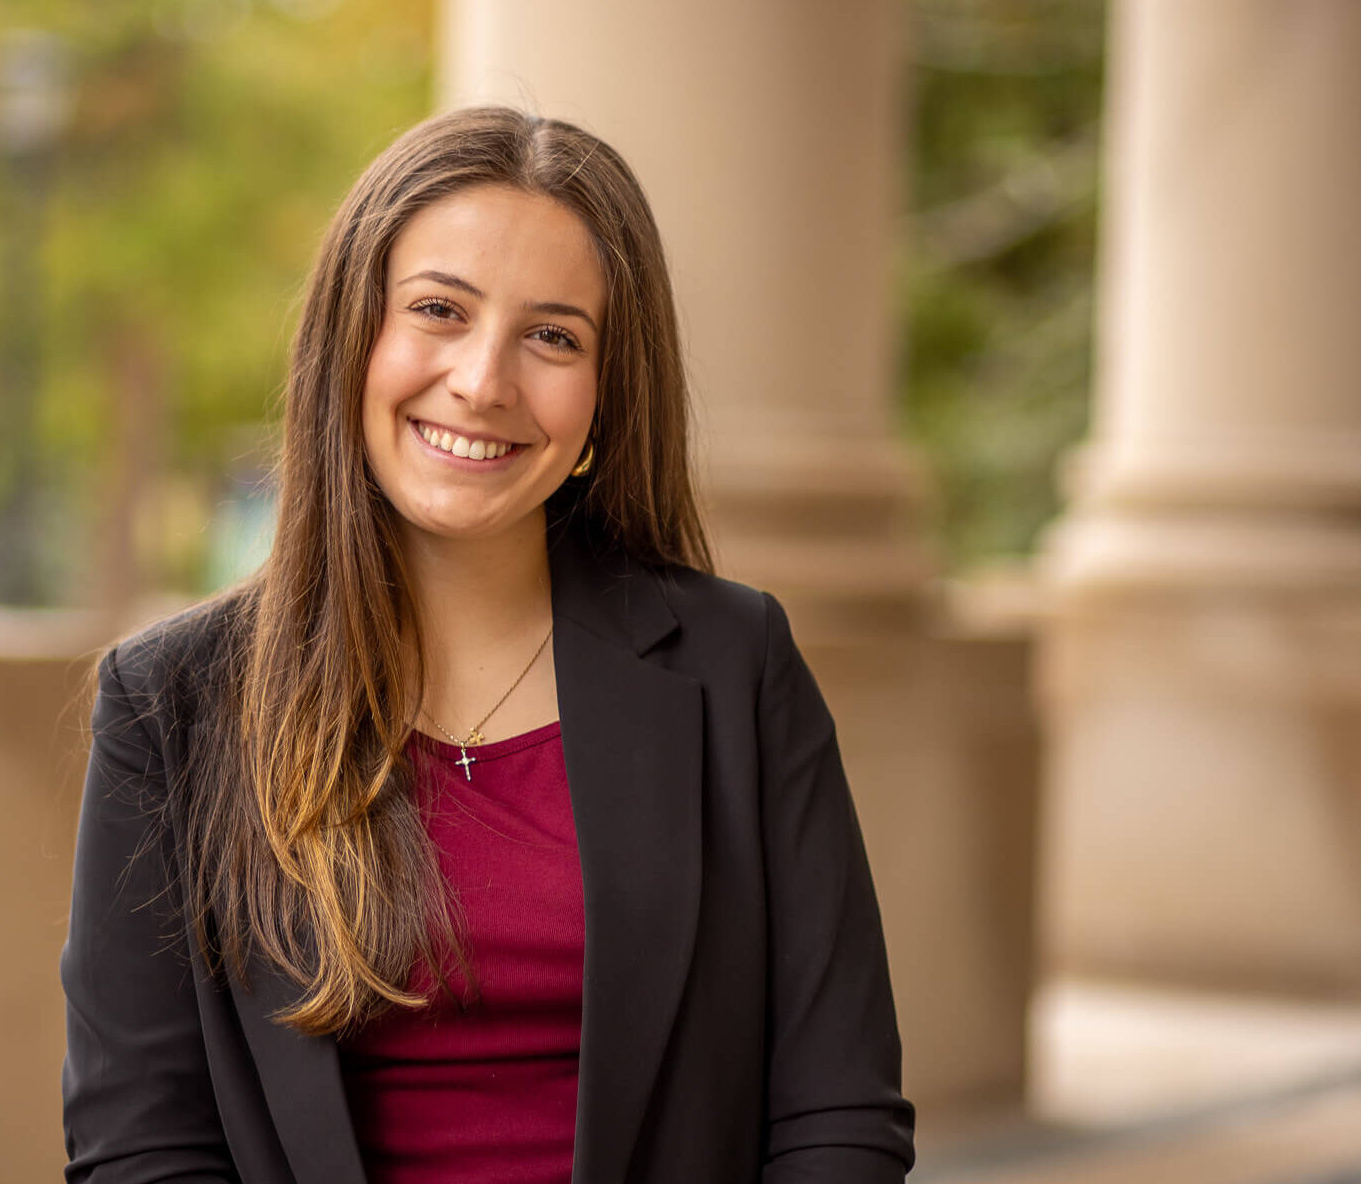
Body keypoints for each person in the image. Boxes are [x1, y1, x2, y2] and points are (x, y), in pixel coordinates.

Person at [60, 104, 915, 1184]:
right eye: (437, 310)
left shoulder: (733, 663)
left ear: (606, 394)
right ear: (350, 337)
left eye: (552, 335)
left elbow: (837, 1111)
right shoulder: (170, 700)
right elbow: (143, 1144)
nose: (483, 381)